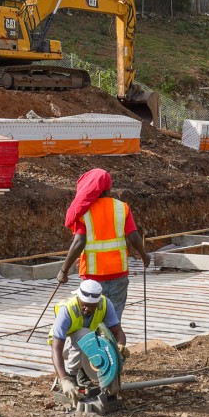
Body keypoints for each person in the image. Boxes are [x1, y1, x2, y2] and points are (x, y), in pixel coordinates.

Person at [56, 169, 150, 320]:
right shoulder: (122, 207)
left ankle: (94, 343)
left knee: (91, 319)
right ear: (108, 188)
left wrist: (64, 270)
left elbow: (79, 242)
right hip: (119, 273)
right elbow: (133, 236)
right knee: (114, 318)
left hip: (93, 277)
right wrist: (144, 255)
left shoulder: (85, 211)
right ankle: (112, 343)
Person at [49, 280, 128, 404]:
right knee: (86, 335)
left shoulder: (105, 304)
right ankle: (71, 375)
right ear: (78, 298)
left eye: (92, 306)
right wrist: (64, 378)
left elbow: (118, 331)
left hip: (86, 342)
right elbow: (56, 349)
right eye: (84, 304)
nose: (88, 309)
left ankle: (83, 373)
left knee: (102, 342)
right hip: (65, 346)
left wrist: (119, 346)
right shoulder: (67, 310)